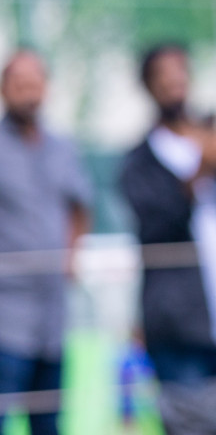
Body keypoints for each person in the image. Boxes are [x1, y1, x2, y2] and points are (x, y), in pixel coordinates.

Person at [118, 43, 216, 385]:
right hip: (178, 334)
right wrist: (199, 173)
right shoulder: (139, 163)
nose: (174, 82)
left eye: (180, 72)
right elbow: (155, 227)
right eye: (163, 75)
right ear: (147, 86)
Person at [0, 50, 91, 435]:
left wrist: (73, 254)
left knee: (49, 423)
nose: (28, 93)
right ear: (5, 88)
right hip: (6, 316)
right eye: (20, 84)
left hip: (53, 316)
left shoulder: (63, 147)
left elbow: (81, 205)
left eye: (34, 84)